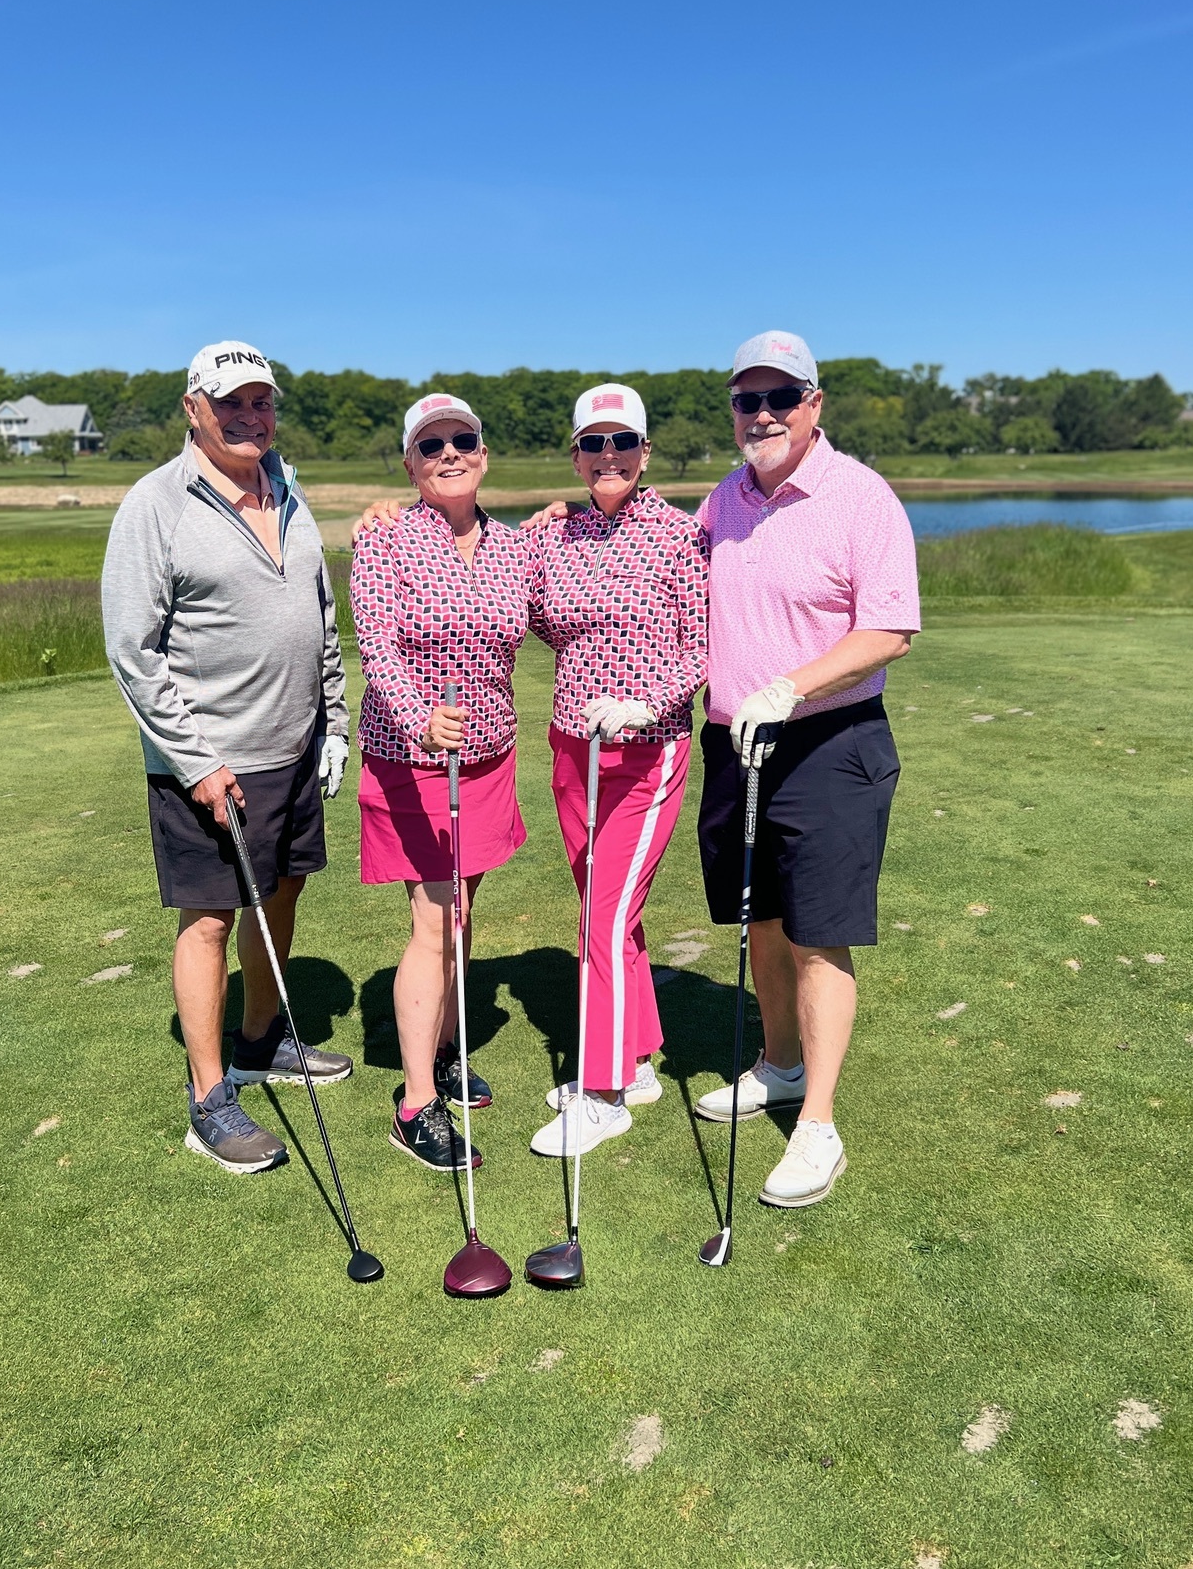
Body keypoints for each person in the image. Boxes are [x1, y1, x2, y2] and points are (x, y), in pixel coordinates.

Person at [101, 340, 353, 1176]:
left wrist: (334, 721)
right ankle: (209, 1100)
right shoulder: (156, 504)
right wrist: (196, 761)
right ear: (193, 407)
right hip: (210, 760)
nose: (250, 416)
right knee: (209, 917)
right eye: (231, 402)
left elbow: (318, 616)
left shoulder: (287, 487)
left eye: (261, 401)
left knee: (281, 893)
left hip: (292, 746)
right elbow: (132, 651)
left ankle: (259, 1039)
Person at [691, 329, 919, 1208]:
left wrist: (790, 687)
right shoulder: (724, 499)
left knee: (819, 932)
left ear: (813, 404)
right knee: (762, 917)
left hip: (829, 741)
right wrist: (563, 514)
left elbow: (889, 630)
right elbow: (671, 569)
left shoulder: (861, 496)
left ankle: (818, 1125)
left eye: (781, 397)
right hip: (737, 743)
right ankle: (779, 1065)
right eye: (747, 400)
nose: (763, 414)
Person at [523, 383, 708, 1159]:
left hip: (647, 752)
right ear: (575, 456)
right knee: (610, 914)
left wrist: (645, 701)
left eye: (622, 442)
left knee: (601, 916)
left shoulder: (681, 536)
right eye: (593, 444)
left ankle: (602, 1095)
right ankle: (636, 1063)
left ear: (645, 451)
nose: (609, 456)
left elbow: (702, 647)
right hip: (573, 746)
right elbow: (527, 608)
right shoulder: (552, 537)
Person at [350, 394, 529, 1173]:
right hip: (413, 762)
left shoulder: (516, 546)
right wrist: (419, 718)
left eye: (462, 440)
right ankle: (416, 1102)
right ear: (410, 464)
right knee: (434, 922)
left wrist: (567, 516)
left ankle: (447, 1048)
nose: (449, 453)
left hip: (488, 760)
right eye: (431, 446)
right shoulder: (384, 539)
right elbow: (377, 647)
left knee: (461, 914)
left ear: (483, 454)